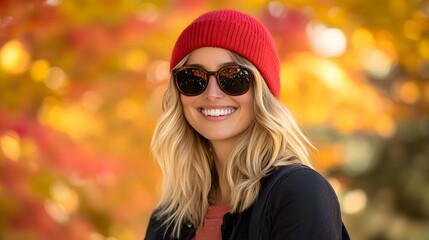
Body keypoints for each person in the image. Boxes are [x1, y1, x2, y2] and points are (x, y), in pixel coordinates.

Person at [145, 9, 350, 240]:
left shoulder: (301, 192)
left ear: (262, 92)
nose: (212, 94)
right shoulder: (167, 219)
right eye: (193, 78)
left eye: (233, 77)